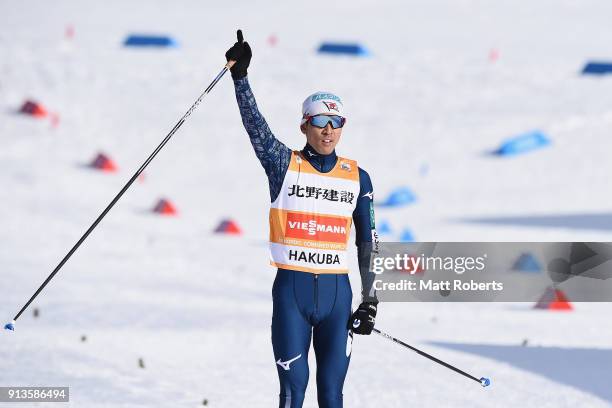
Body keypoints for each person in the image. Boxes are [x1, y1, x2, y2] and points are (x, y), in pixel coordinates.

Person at [225, 30, 379, 408]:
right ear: (304, 126)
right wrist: (240, 78)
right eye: (320, 120)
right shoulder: (283, 165)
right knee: (293, 393)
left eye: (336, 121)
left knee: (332, 396)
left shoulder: (357, 176)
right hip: (291, 295)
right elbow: (255, 128)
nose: (328, 130)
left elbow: (367, 243)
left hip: (337, 298)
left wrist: (370, 300)